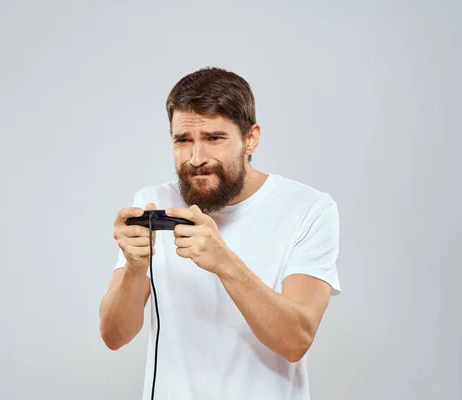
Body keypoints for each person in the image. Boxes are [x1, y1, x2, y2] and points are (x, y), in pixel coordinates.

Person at [99, 67, 341, 400]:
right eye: (183, 140)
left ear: (250, 139)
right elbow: (114, 335)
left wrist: (224, 261)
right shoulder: (153, 203)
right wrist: (135, 268)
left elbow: (296, 340)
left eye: (214, 138)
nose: (196, 158)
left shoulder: (308, 209)